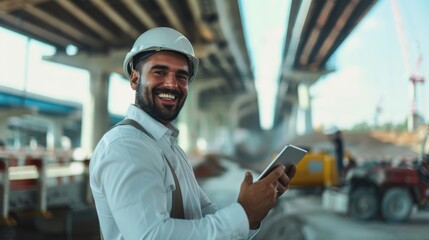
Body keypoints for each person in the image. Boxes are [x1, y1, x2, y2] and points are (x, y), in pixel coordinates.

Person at [89, 27, 296, 240]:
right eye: (159, 71)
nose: (171, 83)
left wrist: (253, 212)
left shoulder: (171, 149)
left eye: (181, 76)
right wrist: (243, 214)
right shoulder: (127, 145)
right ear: (134, 79)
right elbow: (151, 236)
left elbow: (202, 215)